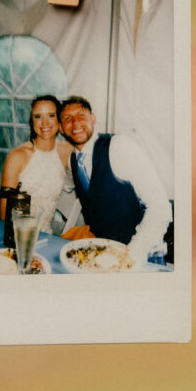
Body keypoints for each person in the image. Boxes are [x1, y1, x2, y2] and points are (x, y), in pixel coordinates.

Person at [59, 95, 172, 266]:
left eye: (81, 115)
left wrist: (131, 255)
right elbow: (68, 184)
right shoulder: (72, 160)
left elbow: (160, 207)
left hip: (141, 253)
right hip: (103, 253)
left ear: (93, 118)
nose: (75, 122)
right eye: (68, 118)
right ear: (61, 128)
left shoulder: (119, 147)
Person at [0, 95, 72, 233]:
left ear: (59, 120)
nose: (44, 123)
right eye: (38, 116)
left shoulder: (66, 151)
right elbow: (3, 215)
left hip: (45, 235)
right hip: (14, 233)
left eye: (51, 115)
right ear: (32, 121)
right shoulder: (17, 156)